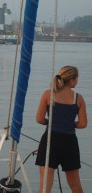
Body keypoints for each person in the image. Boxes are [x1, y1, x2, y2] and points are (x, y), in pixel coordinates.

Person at [35, 65, 87, 193]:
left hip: (50, 141)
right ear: (72, 80)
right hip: (69, 142)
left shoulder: (48, 94)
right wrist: (69, 123)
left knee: (45, 186)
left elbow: (39, 119)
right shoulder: (78, 98)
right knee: (75, 185)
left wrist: (52, 122)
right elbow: (83, 124)